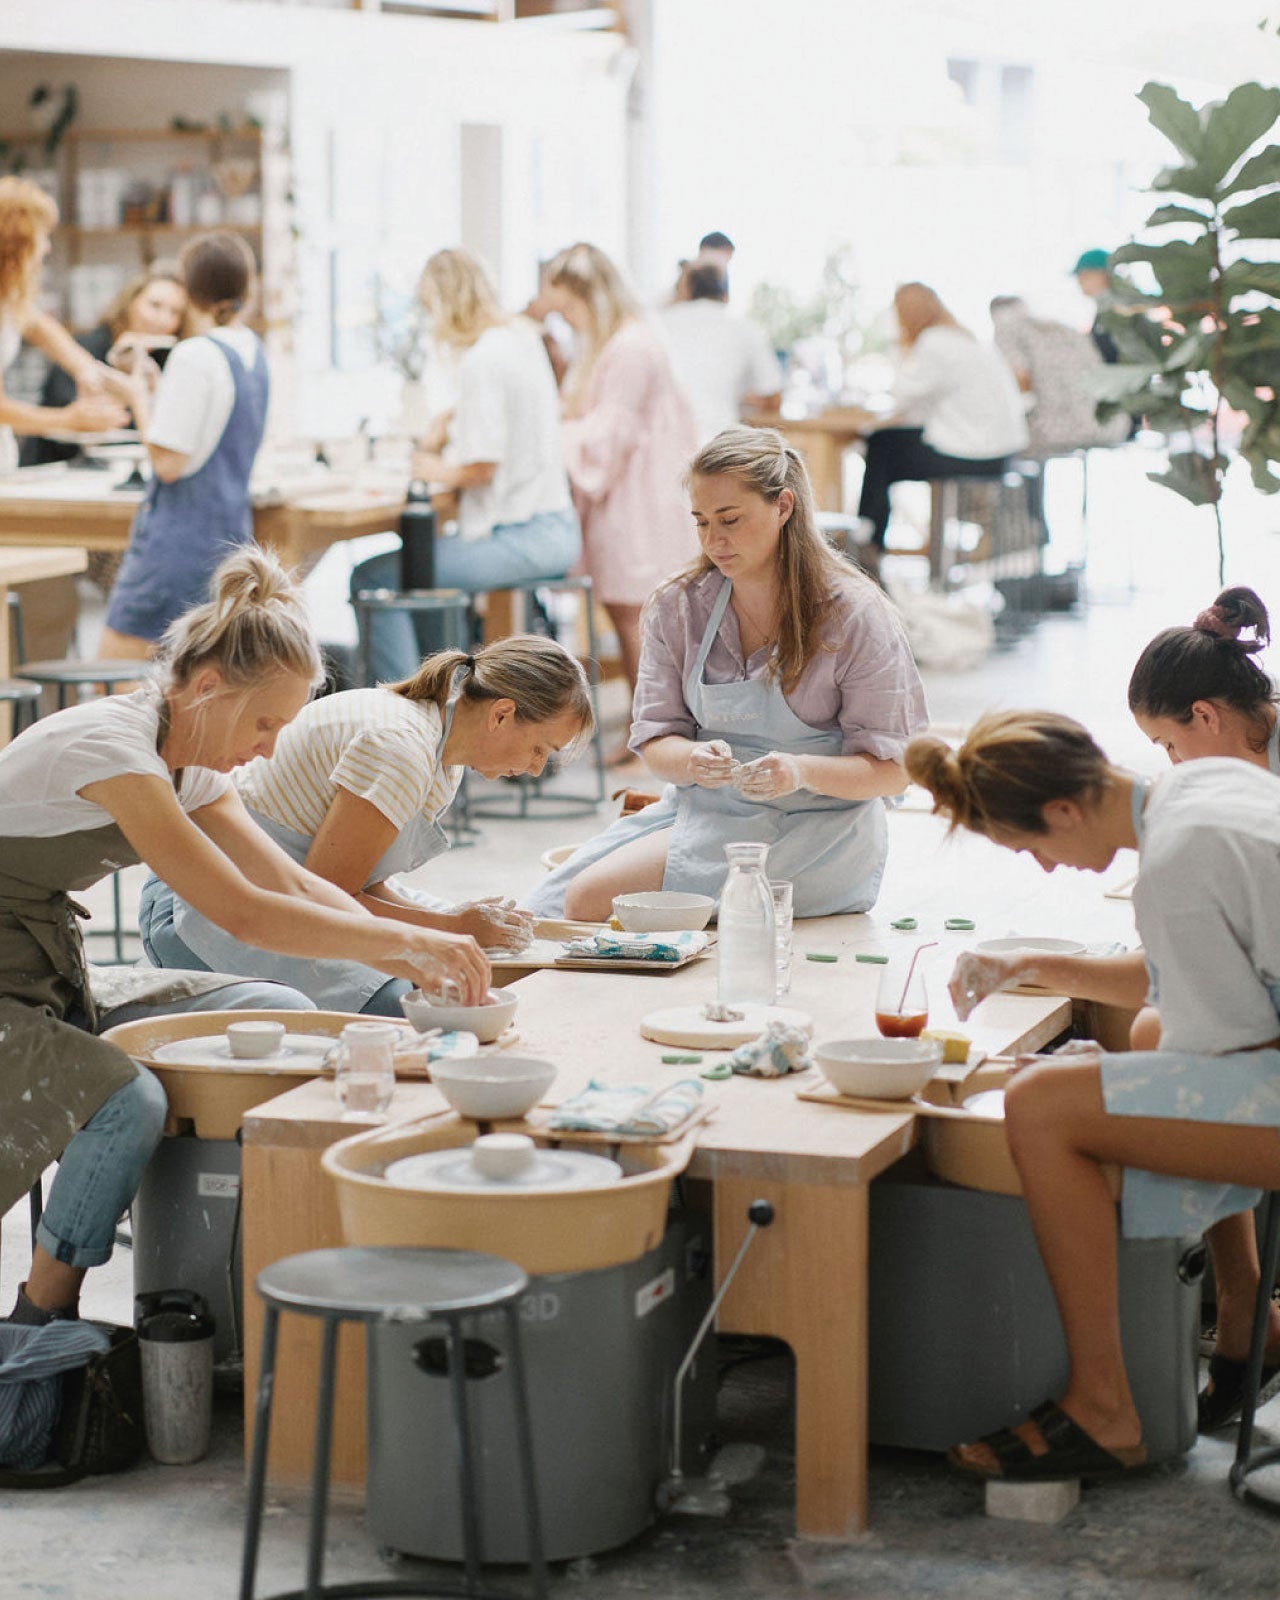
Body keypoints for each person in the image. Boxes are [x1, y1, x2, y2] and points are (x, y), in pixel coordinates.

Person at [0, 546, 488, 1326]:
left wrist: (410, 954)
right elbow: (244, 912)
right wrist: (407, 948)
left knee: (272, 1004)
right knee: (128, 1100)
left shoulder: (191, 761)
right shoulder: (116, 750)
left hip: (43, 963)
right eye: (265, 723)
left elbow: (296, 885)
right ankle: (38, 1324)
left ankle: (239, 1238)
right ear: (205, 687)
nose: (269, 747)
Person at [905, 709, 1280, 1483]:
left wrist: (1097, 1094)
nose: (1044, 868)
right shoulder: (1197, 787)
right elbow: (1182, 981)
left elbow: (1223, 1045)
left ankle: (1104, 1406)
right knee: (1141, 1039)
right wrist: (1032, 965)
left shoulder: (1175, 860)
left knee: (1045, 1106)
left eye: (1031, 846)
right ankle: (1249, 1316)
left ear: (1065, 812)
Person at [526, 426, 928, 921]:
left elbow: (894, 771)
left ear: (783, 507)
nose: (715, 540)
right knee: (539, 912)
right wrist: (693, 760)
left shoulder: (856, 615)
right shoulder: (678, 607)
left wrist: (798, 771)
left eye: (730, 520)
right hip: (707, 814)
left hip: (822, 830)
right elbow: (657, 742)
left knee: (589, 900)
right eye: (700, 522)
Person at [139, 634, 593, 1014]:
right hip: (198, 904)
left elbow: (363, 881)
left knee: (468, 962)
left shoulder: (442, 752)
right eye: (540, 749)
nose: (536, 769)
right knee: (418, 1009)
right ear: (501, 714)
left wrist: (455, 923)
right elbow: (329, 898)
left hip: (284, 891)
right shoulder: (400, 747)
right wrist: (451, 928)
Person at [350, 249, 581, 684]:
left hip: (521, 538)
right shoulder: (520, 338)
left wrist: (428, 465)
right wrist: (452, 419)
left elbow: (480, 469)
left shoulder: (481, 359)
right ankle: (437, 697)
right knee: (420, 568)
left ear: (443, 303)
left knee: (374, 578)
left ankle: (405, 715)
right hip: (557, 529)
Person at [99, 231, 268, 661]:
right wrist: (158, 395)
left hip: (177, 546)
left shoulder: (195, 355)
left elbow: (168, 463)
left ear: (189, 290)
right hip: (228, 544)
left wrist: (137, 394)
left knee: (112, 677)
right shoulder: (253, 352)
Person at [541, 242, 699, 701]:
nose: (567, 318)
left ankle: (653, 731)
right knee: (632, 612)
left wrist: (556, 433)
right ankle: (648, 724)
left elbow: (611, 433)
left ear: (593, 298)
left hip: (638, 496)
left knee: (636, 615)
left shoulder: (630, 347)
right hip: (633, 489)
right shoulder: (625, 341)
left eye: (569, 307)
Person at [855, 283, 1027, 567]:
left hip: (976, 454)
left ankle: (866, 544)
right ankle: (869, 539)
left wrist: (900, 346)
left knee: (880, 445)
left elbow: (903, 394)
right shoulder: (967, 338)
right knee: (886, 448)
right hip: (1003, 453)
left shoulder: (934, 341)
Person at [0, 175, 128, 471]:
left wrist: (87, 370)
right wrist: (69, 420)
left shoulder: (8, 297)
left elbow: (40, 327)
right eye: (42, 237)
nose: (46, 249)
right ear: (14, 243)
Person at [19, 259, 187, 467]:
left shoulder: (164, 362)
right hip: (55, 467)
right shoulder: (87, 348)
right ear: (130, 303)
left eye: (175, 313)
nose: (162, 319)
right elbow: (75, 419)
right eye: (154, 306)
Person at [989, 295, 1130, 456]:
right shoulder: (1059, 327)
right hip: (1111, 426)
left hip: (1060, 433)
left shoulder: (1006, 329)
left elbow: (1021, 377)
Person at [658, 262, 782, 444]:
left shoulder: (658, 323)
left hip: (662, 445)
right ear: (726, 294)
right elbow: (773, 397)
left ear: (685, 290)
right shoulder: (745, 328)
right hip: (718, 447)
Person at [1072, 247, 1119, 364]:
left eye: (1083, 275)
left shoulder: (1120, 307)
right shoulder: (1103, 309)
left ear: (1102, 274)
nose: (1079, 281)